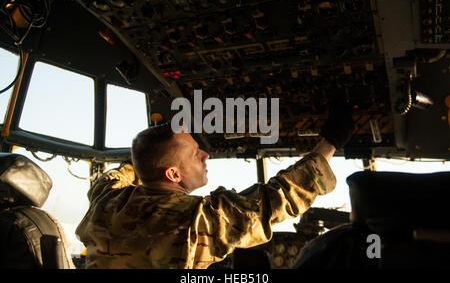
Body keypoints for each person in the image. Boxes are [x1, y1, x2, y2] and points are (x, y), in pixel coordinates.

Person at [76, 104, 353, 269]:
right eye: (195, 153)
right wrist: (329, 144)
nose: (206, 155)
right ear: (172, 174)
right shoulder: (196, 220)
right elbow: (275, 199)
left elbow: (118, 175)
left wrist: (151, 150)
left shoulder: (105, 201)